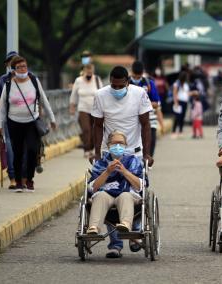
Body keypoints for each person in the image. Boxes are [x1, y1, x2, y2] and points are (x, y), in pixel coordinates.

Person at [92, 65, 153, 254]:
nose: (117, 89)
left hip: (134, 151)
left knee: (132, 193)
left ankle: (134, 231)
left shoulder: (139, 94)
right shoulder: (101, 95)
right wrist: (97, 153)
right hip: (109, 150)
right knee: (109, 190)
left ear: (128, 82)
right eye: (114, 86)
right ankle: (116, 244)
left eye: (120, 86)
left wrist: (148, 154)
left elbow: (145, 124)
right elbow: (97, 125)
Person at [0, 56, 56, 191]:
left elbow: (44, 100)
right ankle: (18, 182)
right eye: (19, 67)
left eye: (24, 66)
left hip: (32, 122)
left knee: (32, 150)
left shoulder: (34, 81)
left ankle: (29, 179)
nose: (23, 69)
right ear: (14, 70)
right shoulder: (9, 84)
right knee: (17, 153)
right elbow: (2, 107)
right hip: (14, 122)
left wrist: (52, 119)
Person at [86, 130, 143, 258]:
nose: (117, 146)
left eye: (121, 143)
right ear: (108, 145)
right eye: (114, 143)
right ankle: (94, 228)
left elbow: (140, 186)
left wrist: (124, 172)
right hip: (106, 193)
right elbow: (92, 188)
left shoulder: (133, 161)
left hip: (127, 192)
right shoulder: (100, 163)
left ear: (126, 145)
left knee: (125, 196)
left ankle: (125, 225)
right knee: (100, 196)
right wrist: (107, 172)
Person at [0, 51, 19, 190]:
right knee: (10, 147)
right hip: (9, 118)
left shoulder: (29, 78)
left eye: (15, 60)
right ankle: (13, 178)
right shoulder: (3, 80)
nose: (12, 63)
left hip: (26, 119)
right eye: (10, 61)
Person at [129, 61, 164, 157]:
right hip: (131, 119)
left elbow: (156, 103)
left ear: (142, 73)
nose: (136, 79)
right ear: (131, 72)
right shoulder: (126, 83)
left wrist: (141, 104)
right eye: (135, 76)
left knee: (150, 140)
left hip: (149, 118)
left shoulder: (149, 83)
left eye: (139, 77)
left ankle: (148, 160)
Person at [70, 64, 103, 158]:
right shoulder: (78, 80)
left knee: (94, 130)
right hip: (83, 108)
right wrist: (72, 106)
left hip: (95, 109)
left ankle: (91, 147)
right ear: (84, 71)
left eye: (91, 71)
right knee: (86, 129)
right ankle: (86, 149)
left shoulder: (97, 80)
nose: (89, 73)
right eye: (87, 71)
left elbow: (102, 94)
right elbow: (74, 95)